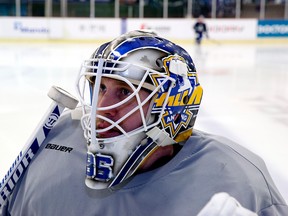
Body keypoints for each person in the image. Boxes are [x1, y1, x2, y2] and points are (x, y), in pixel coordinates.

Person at [1, 30, 287, 216]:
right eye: (100, 88)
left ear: (171, 105)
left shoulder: (239, 182)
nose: (102, 108)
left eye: (125, 92)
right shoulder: (55, 143)